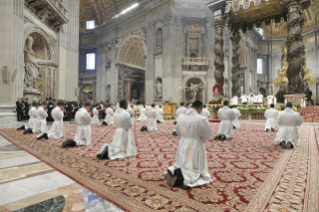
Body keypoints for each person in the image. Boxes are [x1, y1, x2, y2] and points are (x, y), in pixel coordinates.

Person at [166, 100, 213, 190]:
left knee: (182, 162)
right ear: (199, 108)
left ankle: (172, 170)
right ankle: (182, 175)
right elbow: (207, 134)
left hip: (183, 141)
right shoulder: (201, 119)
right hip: (195, 144)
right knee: (194, 168)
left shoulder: (181, 117)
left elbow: (178, 131)